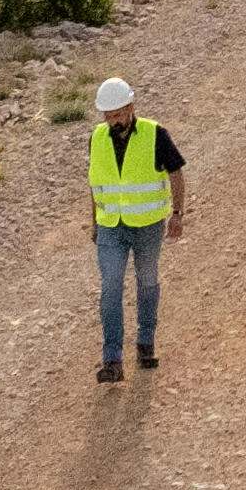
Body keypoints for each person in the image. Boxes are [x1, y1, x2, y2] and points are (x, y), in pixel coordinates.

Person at [86, 74, 183, 385]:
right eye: (108, 115)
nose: (113, 121)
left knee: (147, 280)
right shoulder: (97, 138)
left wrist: (178, 214)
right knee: (110, 287)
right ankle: (112, 360)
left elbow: (176, 174)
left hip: (147, 225)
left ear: (130, 107)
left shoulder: (156, 134)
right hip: (110, 227)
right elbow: (96, 183)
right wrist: (94, 222)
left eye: (118, 114)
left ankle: (145, 341)